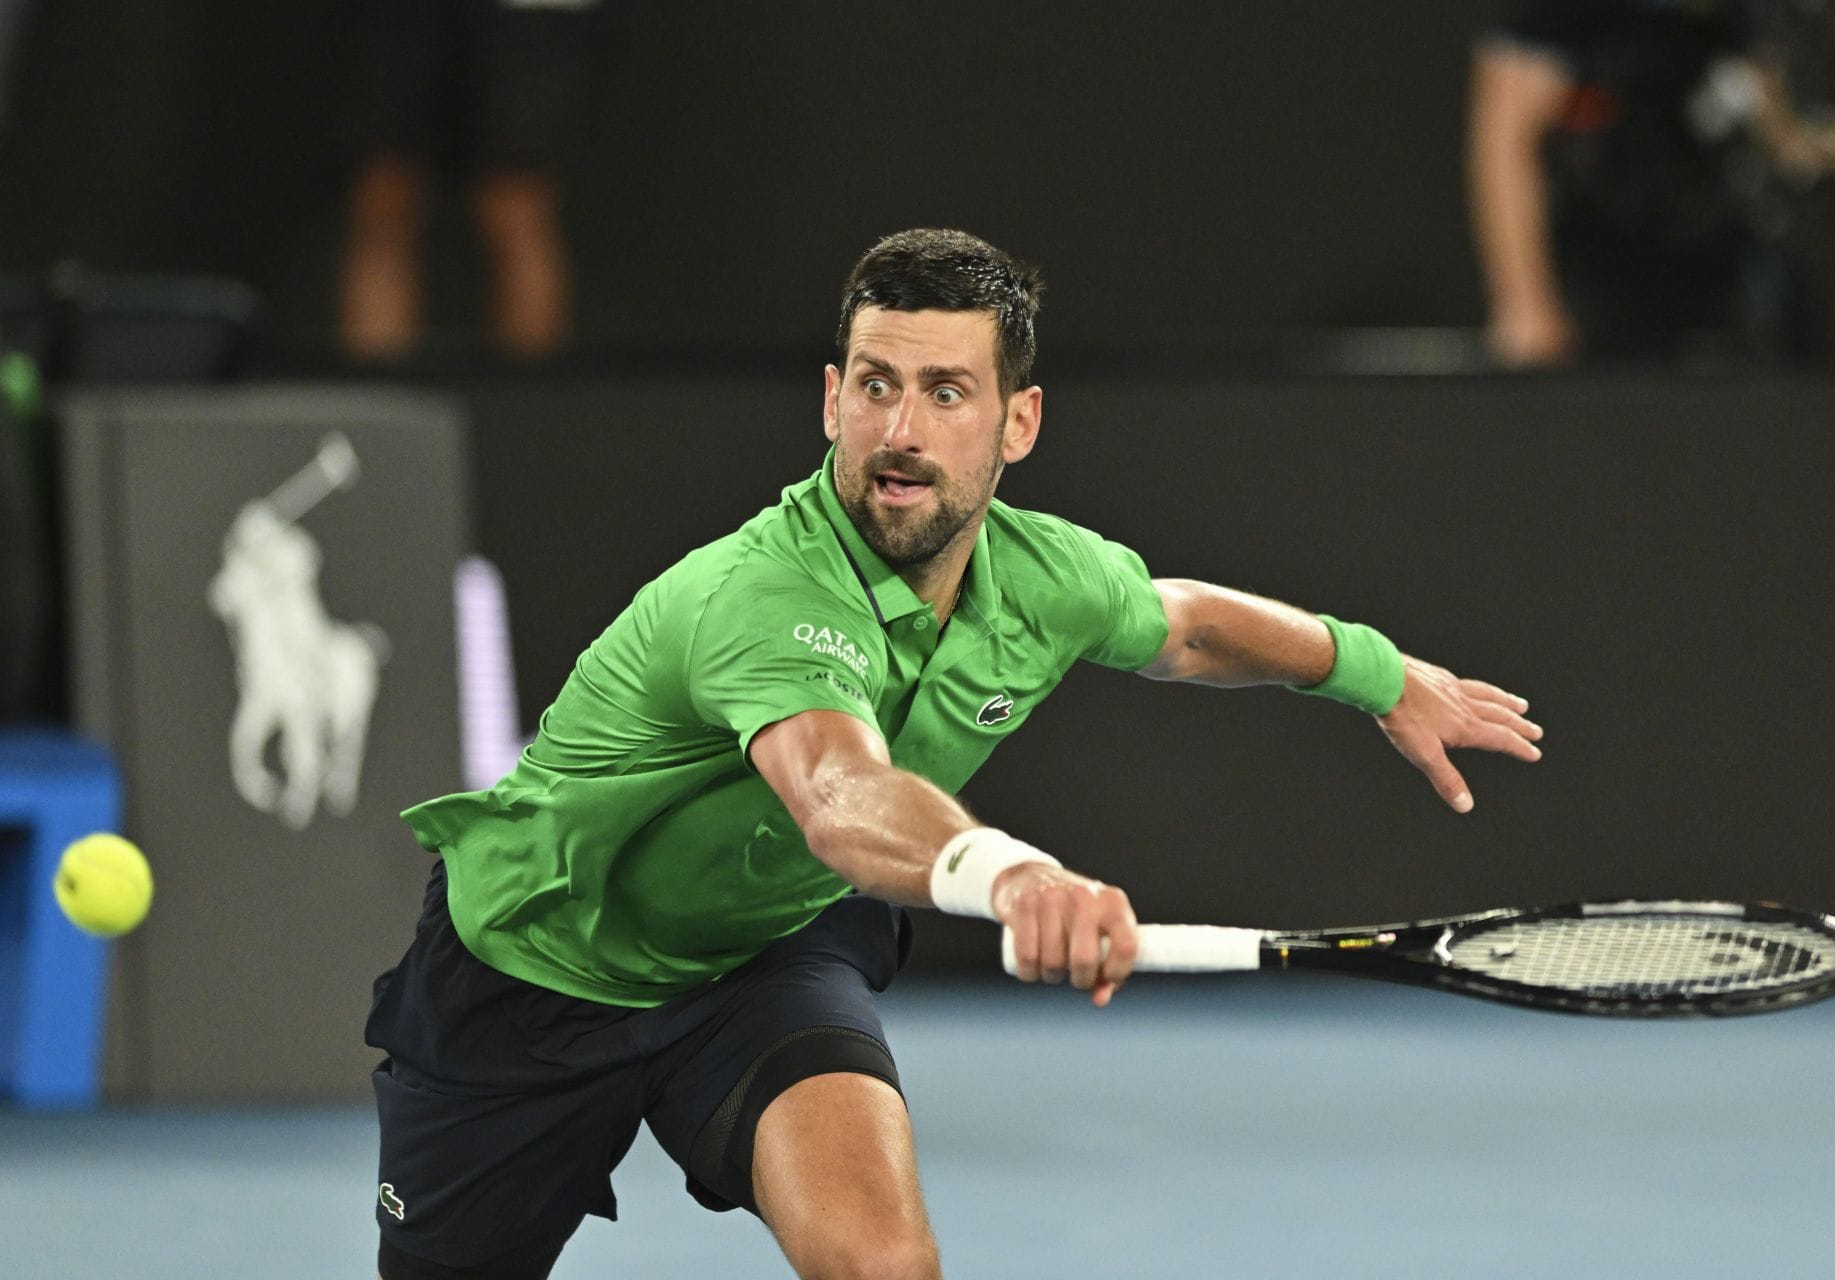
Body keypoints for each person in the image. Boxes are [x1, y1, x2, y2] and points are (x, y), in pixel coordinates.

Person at [365, 228, 1545, 1280]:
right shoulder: (762, 591)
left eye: (945, 392)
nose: (902, 431)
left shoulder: (1041, 578)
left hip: (758, 954)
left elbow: (1183, 624)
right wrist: (1015, 875)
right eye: (876, 386)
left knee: (884, 1263)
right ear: (831, 400)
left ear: (1016, 421)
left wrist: (1379, 672)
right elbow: (839, 795)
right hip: (533, 970)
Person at [1466, 0, 1835, 367]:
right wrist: (1524, 302)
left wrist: (1817, 148)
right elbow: (1504, 136)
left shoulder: (1729, 14)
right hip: (1604, 262)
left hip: (1709, 261)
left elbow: (1763, 98)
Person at [336, 0, 602, 363]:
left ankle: (527, 405)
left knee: (515, 207)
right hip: (397, 13)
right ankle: (374, 403)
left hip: (526, 12)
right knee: (386, 199)